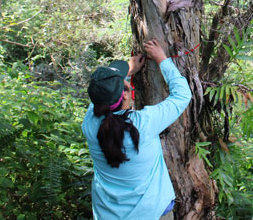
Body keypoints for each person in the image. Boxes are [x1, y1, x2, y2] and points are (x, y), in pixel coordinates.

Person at [82, 39, 192, 220]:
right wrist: (163, 60)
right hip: (151, 214)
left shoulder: (90, 124)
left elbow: (105, 99)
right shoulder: (143, 124)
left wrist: (127, 73)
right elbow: (182, 95)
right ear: (125, 94)